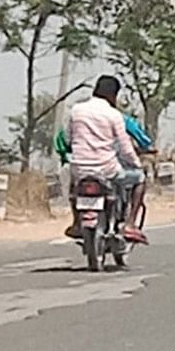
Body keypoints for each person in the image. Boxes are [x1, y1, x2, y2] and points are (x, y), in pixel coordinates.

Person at [56, 76, 150, 243]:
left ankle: (77, 222)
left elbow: (68, 138)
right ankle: (130, 224)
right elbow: (126, 147)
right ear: (113, 95)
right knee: (139, 179)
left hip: (79, 168)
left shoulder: (76, 110)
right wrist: (137, 165)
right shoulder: (114, 115)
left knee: (74, 188)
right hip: (107, 169)